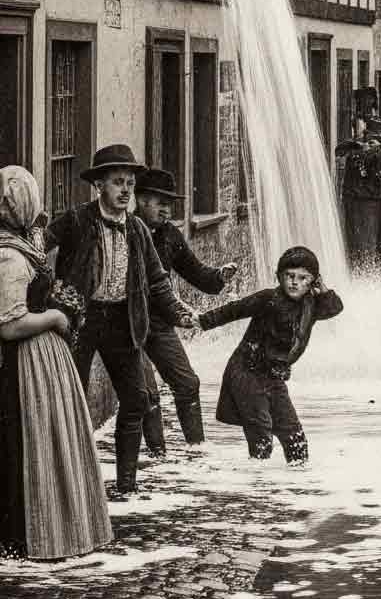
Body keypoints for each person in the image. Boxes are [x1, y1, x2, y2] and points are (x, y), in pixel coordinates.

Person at [44, 144, 196, 496]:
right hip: (79, 321)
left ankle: (126, 485)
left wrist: (180, 312)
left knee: (136, 399)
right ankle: (74, 487)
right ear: (99, 185)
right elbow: (39, 249)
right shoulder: (77, 220)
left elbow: (157, 281)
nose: (126, 190)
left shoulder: (139, 230)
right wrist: (47, 294)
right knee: (72, 400)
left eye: (129, 183)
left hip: (122, 319)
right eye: (117, 182)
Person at [0, 166, 113, 559]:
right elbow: (10, 324)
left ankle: (56, 528)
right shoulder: (10, 258)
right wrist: (55, 317)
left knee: (48, 444)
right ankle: (27, 536)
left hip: (44, 361)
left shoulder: (24, 243)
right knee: (28, 447)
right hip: (25, 362)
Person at [197, 246, 342, 462]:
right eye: (289, 276)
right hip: (246, 371)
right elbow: (235, 309)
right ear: (279, 276)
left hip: (274, 377)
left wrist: (324, 289)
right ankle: (259, 486)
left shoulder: (312, 305)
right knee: (261, 433)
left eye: (303, 278)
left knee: (295, 437)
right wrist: (202, 321)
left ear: (313, 282)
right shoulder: (268, 298)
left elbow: (334, 308)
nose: (294, 282)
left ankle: (297, 485)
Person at [134, 169, 237, 457]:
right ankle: (157, 457)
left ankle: (197, 451)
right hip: (126, 324)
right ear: (140, 200)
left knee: (187, 383)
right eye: (160, 202)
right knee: (147, 393)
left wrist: (220, 276)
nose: (167, 209)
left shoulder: (169, 235)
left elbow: (196, 273)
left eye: (171, 203)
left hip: (159, 322)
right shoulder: (125, 232)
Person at [337, 118, 381, 270]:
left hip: (376, 201)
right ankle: (365, 275)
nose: (378, 146)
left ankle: (379, 275)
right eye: (373, 142)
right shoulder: (357, 153)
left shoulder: (377, 152)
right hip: (362, 203)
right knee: (365, 246)